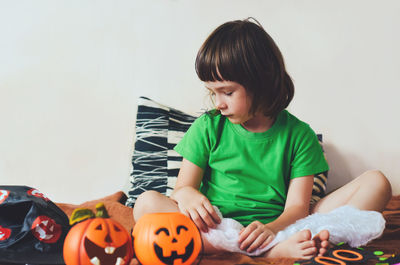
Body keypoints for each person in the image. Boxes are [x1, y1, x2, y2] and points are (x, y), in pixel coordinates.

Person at [133, 18, 392, 259]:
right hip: (216, 227)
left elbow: (296, 209)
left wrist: (270, 229)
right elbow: (182, 188)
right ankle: (273, 252)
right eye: (213, 93)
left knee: (377, 182)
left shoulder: (299, 135)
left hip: (281, 226)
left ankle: (282, 244)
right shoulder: (208, 126)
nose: (219, 103)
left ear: (260, 83)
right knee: (145, 204)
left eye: (227, 92)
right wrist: (188, 196)